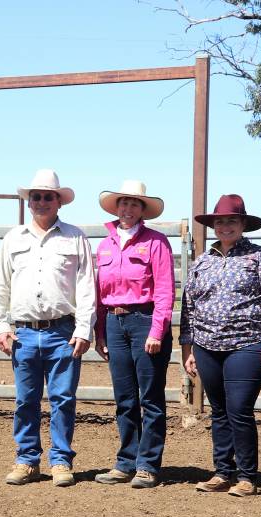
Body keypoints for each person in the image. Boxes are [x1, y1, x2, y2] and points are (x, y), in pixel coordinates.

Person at [0, 168, 97, 487]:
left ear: (58, 202)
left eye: (48, 196)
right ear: (29, 201)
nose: (41, 202)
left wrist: (83, 329)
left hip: (62, 330)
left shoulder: (75, 237)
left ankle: (61, 460)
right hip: (23, 331)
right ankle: (27, 459)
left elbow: (87, 285)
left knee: (63, 397)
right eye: (36, 196)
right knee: (26, 399)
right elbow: (1, 285)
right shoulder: (13, 239)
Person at [179, 194, 261, 497]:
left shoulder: (260, 257)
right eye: (220, 221)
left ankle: (247, 476)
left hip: (248, 342)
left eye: (231, 221)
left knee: (238, 408)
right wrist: (187, 347)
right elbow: (189, 305)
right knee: (219, 409)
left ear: (242, 224)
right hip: (207, 344)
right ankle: (222, 471)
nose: (225, 226)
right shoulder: (203, 261)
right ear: (214, 226)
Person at [91, 181, 175, 489]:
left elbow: (165, 289)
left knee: (150, 396)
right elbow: (100, 294)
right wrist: (100, 332)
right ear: (116, 207)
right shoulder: (104, 246)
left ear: (142, 211)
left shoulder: (156, 242)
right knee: (125, 397)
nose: (127, 209)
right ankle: (126, 461)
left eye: (134, 204)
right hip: (115, 323)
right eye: (123, 203)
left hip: (145, 319)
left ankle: (148, 464)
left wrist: (157, 329)